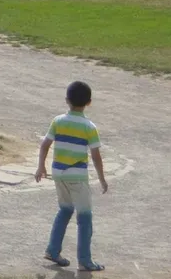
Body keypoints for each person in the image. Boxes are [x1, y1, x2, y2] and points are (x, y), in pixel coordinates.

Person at [34, 80, 108, 271]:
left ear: (67, 100)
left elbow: (45, 145)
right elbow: (96, 155)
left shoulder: (58, 121)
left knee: (65, 210)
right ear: (89, 102)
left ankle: (52, 250)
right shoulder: (89, 127)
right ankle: (84, 260)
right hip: (78, 176)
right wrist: (101, 178)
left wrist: (41, 166)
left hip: (59, 174)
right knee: (85, 217)